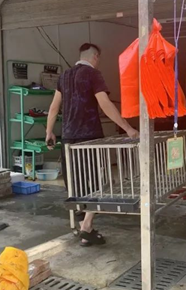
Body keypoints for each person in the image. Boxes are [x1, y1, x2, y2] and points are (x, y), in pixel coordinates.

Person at [45, 43, 139, 246]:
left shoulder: (64, 76)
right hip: (90, 140)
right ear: (95, 57)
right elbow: (105, 103)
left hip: (68, 140)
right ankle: (86, 227)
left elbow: (53, 108)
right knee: (97, 184)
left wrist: (49, 132)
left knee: (75, 184)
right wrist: (127, 128)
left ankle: (84, 228)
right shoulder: (93, 74)